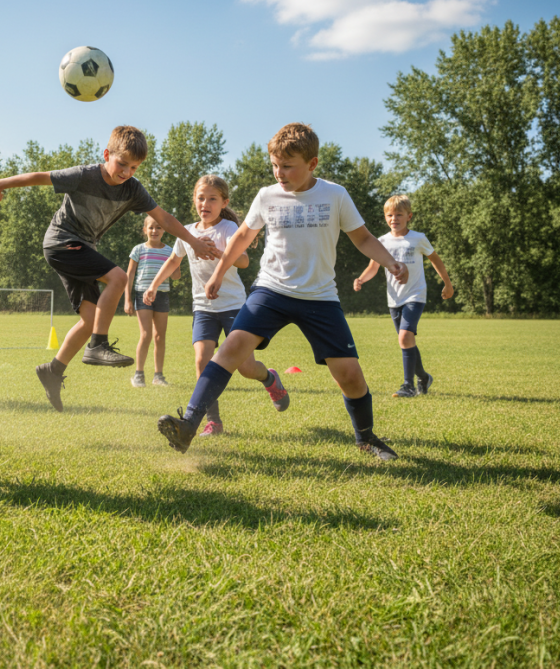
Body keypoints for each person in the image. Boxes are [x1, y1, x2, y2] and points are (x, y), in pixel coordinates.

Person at [157, 123, 409, 460]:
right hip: (271, 291)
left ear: (313, 164)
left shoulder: (335, 195)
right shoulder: (266, 195)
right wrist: (218, 273)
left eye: (288, 166)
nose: (280, 173)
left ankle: (366, 438)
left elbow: (362, 237)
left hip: (320, 296)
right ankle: (189, 424)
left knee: (349, 374)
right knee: (230, 350)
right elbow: (243, 237)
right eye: (275, 165)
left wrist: (390, 261)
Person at [0, 125, 219, 412]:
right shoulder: (84, 176)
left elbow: (165, 219)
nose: (126, 172)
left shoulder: (133, 189)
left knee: (89, 318)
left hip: (83, 248)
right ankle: (98, 345)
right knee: (119, 277)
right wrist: (1, 183)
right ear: (107, 154)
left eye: (134, 167)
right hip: (62, 242)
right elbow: (41, 177)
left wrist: (193, 242)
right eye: (122, 163)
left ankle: (53, 371)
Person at [144, 174, 288, 437]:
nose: (205, 203)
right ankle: (213, 422)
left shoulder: (228, 230)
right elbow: (173, 262)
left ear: (224, 203)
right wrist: (153, 285)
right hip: (203, 308)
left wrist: (219, 254)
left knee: (245, 368)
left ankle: (269, 378)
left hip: (234, 306)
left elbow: (243, 261)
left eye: (212, 199)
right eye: (201, 198)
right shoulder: (187, 233)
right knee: (202, 360)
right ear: (194, 202)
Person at [353, 194, 454, 398]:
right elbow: (373, 267)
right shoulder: (381, 241)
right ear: (385, 217)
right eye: (389, 215)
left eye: (399, 215)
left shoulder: (418, 238)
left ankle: (408, 386)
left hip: (415, 295)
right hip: (394, 299)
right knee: (406, 341)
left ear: (409, 216)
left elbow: (435, 260)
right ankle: (423, 377)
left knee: (405, 336)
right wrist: (362, 279)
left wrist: (447, 283)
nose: (394, 219)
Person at [125, 215, 179, 388]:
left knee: (159, 336)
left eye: (159, 227)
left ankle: (158, 376)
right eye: (151, 227)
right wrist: (127, 299)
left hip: (162, 294)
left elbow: (176, 276)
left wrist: (179, 260)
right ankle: (138, 375)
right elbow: (130, 275)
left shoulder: (170, 251)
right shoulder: (138, 250)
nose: (155, 231)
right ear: (145, 230)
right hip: (143, 294)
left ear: (164, 230)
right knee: (146, 334)